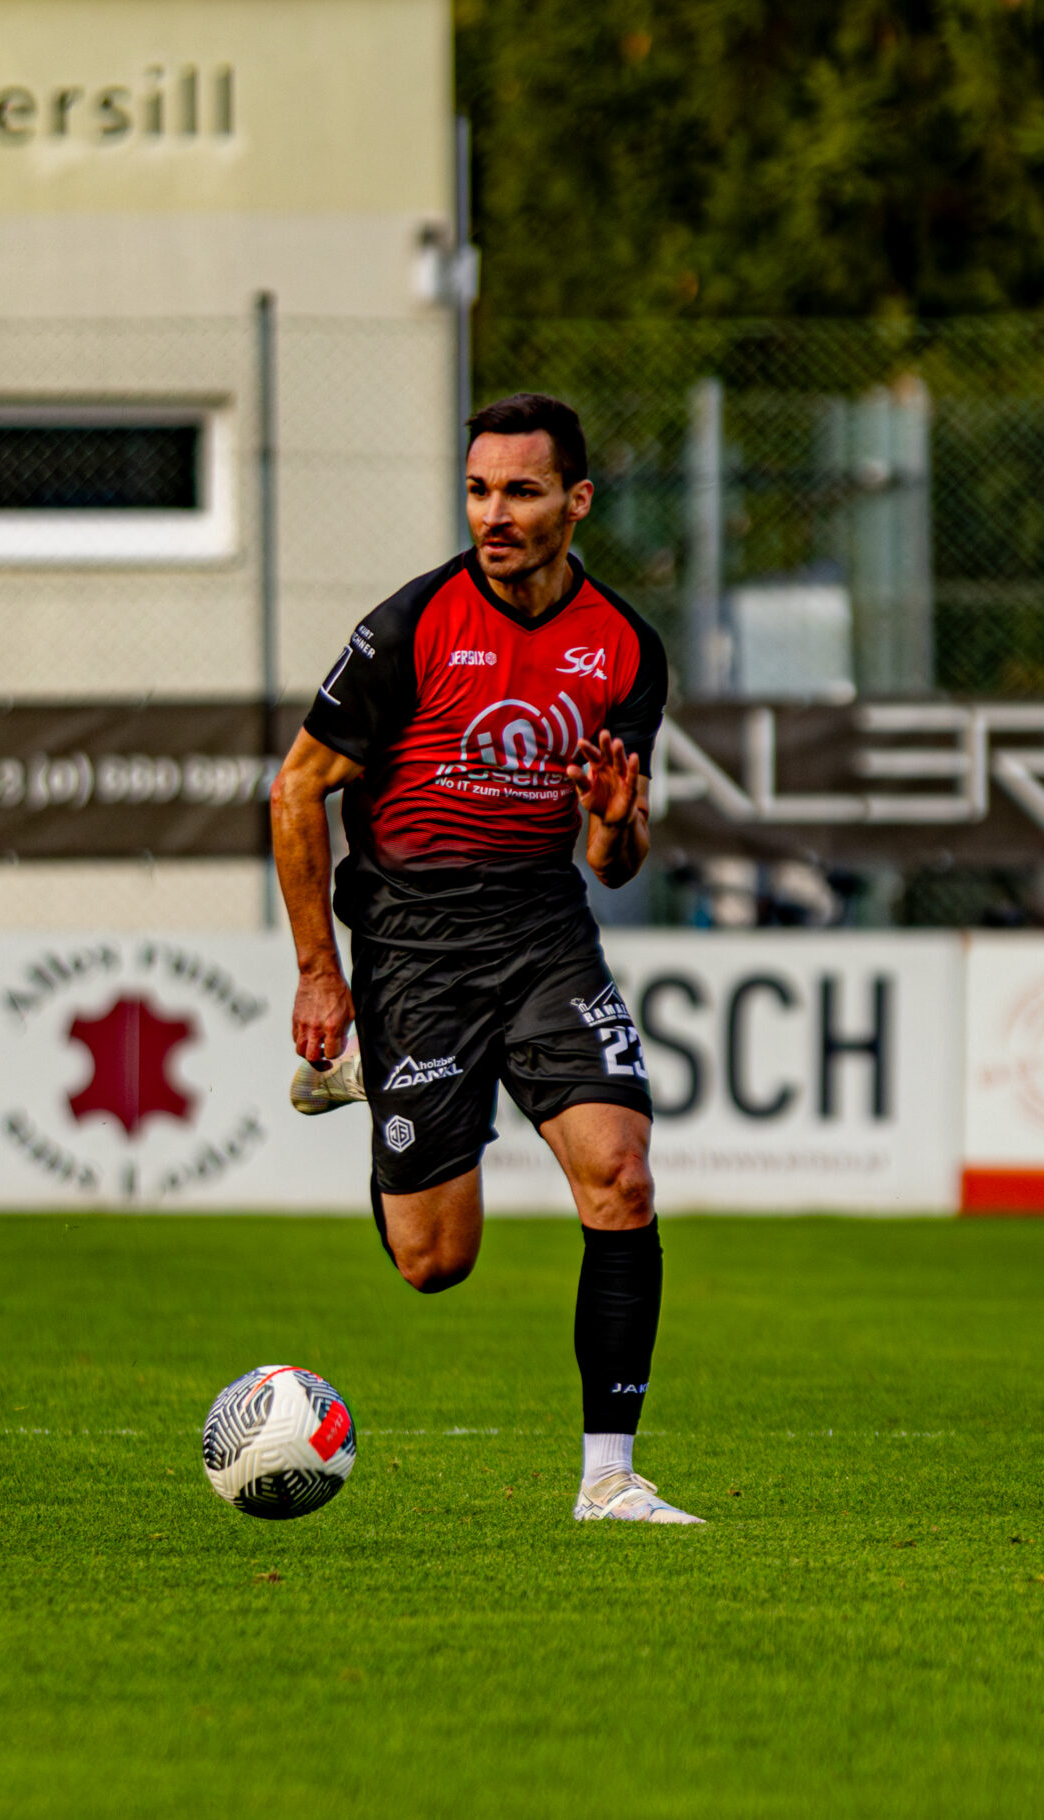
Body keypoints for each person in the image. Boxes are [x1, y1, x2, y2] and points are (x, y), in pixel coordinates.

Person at [269, 392, 698, 1525]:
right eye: (477, 490)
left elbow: (613, 862)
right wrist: (320, 972)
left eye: (520, 491)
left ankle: (609, 1476)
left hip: (544, 933)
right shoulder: (410, 627)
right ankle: (385, 1084)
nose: (493, 514)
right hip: (412, 946)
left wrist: (616, 821)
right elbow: (297, 788)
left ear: (577, 501)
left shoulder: (624, 648)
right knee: (434, 1260)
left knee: (622, 1176)